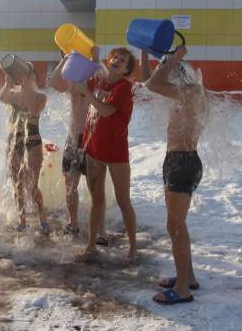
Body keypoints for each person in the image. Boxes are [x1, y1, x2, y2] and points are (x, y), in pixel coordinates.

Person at [144, 45, 208, 305]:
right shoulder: (184, 93)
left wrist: (171, 58)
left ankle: (182, 289)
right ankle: (188, 276)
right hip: (177, 160)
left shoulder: (191, 92)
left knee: (177, 226)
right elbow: (150, 79)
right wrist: (145, 52)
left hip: (183, 162)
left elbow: (152, 83)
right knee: (175, 225)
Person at [74, 47, 139, 265]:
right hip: (93, 148)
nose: (117, 61)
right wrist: (92, 58)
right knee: (97, 200)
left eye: (123, 60)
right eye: (115, 57)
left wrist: (88, 94)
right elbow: (79, 80)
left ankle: (133, 248)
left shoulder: (124, 87)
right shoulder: (100, 80)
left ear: (127, 69)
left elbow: (106, 110)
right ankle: (92, 246)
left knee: (123, 201)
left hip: (115, 152)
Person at [0, 67, 49, 233]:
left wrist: (26, 85)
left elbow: (33, 109)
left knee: (31, 185)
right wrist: (7, 82)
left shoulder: (40, 96)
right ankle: (22, 219)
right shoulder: (13, 94)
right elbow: (2, 97)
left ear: (33, 77)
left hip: (32, 141)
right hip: (14, 141)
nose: (24, 77)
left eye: (28, 74)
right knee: (17, 184)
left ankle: (43, 219)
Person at [48, 52, 92, 236]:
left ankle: (99, 228)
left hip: (92, 139)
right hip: (74, 137)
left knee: (94, 187)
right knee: (70, 184)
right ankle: (72, 223)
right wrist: (63, 60)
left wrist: (95, 60)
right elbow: (53, 83)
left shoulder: (96, 81)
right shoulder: (73, 84)